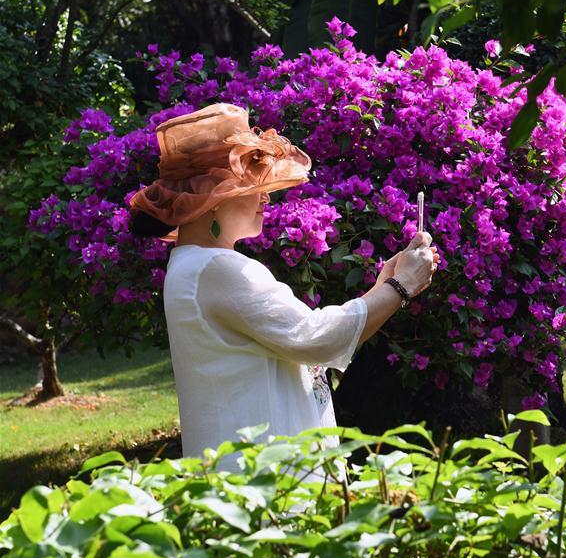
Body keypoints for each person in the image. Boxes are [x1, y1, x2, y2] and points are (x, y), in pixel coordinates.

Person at [128, 103, 439, 471]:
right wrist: (401, 287)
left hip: (240, 479)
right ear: (213, 196)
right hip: (264, 486)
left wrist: (385, 285)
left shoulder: (190, 263)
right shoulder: (216, 267)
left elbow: (305, 338)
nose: (265, 197)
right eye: (251, 184)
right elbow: (317, 339)